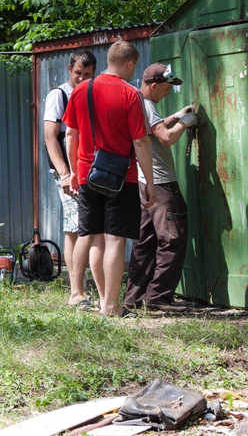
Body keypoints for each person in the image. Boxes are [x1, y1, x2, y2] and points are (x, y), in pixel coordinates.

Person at [62, 41, 155, 317]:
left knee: (93, 237)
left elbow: (70, 134)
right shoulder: (130, 94)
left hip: (88, 175)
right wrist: (148, 181)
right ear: (129, 63)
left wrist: (74, 172)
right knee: (115, 240)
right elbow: (140, 141)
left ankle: (91, 296)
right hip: (120, 177)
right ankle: (111, 305)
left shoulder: (82, 90)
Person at [124, 63, 197, 312]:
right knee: (172, 241)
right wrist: (185, 123)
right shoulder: (147, 104)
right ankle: (157, 299)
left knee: (144, 244)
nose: (167, 94)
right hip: (162, 184)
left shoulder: (134, 100)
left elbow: (152, 128)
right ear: (153, 86)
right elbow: (165, 138)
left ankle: (133, 298)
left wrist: (175, 116)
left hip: (144, 183)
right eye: (165, 89)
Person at [43, 49, 97, 308]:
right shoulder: (59, 95)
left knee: (76, 227)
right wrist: (65, 173)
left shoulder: (91, 94)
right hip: (67, 172)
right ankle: (76, 291)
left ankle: (81, 287)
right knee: (78, 226)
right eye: (78, 73)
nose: (82, 79)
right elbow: (50, 136)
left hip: (89, 170)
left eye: (87, 75)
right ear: (69, 69)